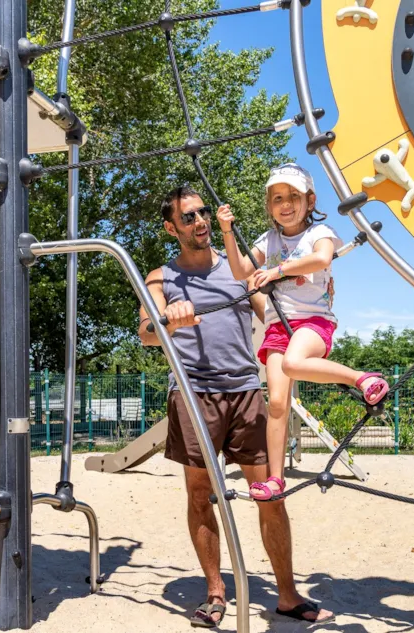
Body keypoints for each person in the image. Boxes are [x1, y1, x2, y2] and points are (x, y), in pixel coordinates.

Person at [139, 185, 335, 627]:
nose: (201, 221)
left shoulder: (238, 271)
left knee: (270, 494)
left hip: (246, 392)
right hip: (193, 395)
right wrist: (169, 319)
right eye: (188, 217)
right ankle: (214, 593)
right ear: (171, 227)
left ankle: (287, 596)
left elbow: (277, 315)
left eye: (203, 213)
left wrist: (318, 300)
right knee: (199, 494)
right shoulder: (161, 277)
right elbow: (147, 330)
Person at [217, 163, 389, 501]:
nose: (285, 204)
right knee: (277, 403)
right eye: (277, 198)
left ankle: (361, 377)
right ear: (269, 205)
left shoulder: (318, 233)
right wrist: (226, 230)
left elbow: (321, 259)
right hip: (278, 327)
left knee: (294, 364)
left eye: (293, 196)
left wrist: (277, 270)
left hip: (312, 322)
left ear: (309, 201)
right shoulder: (269, 239)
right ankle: (275, 479)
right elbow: (239, 270)